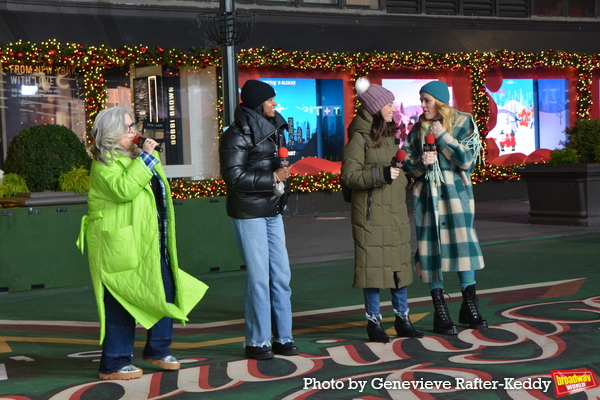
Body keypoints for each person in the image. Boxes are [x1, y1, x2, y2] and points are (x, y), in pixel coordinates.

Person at [77, 107, 208, 380]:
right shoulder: (103, 163)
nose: (134, 131)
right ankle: (113, 363)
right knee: (120, 303)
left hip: (147, 241)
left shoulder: (136, 157)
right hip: (118, 246)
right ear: (112, 133)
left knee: (164, 290)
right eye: (127, 128)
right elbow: (124, 189)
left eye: (132, 125)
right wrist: (147, 156)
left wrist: (146, 156)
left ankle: (157, 350)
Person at [219, 80, 299, 360]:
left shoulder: (276, 129)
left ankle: (283, 337)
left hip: (272, 209)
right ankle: (257, 341)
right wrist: (274, 178)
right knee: (259, 278)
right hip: (248, 211)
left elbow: (277, 165)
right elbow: (233, 176)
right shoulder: (235, 134)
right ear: (257, 103)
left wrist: (281, 179)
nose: (274, 104)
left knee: (281, 275)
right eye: (270, 100)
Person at [401, 80, 487, 335]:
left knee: (463, 245)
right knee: (431, 251)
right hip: (428, 198)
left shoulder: (463, 122)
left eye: (427, 100)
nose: (422, 105)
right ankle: (440, 311)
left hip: (456, 196)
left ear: (439, 101)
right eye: (421, 100)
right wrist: (419, 163)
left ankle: (469, 304)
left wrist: (443, 136)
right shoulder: (417, 129)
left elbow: (467, 161)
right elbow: (407, 164)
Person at [341, 77, 424, 343]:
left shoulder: (389, 136)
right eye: (388, 104)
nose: (393, 108)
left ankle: (402, 319)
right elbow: (349, 177)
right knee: (373, 270)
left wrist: (406, 176)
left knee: (399, 267)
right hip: (370, 215)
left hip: (395, 212)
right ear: (376, 108)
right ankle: (373, 322)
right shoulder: (358, 138)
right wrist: (382, 174)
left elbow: (396, 172)